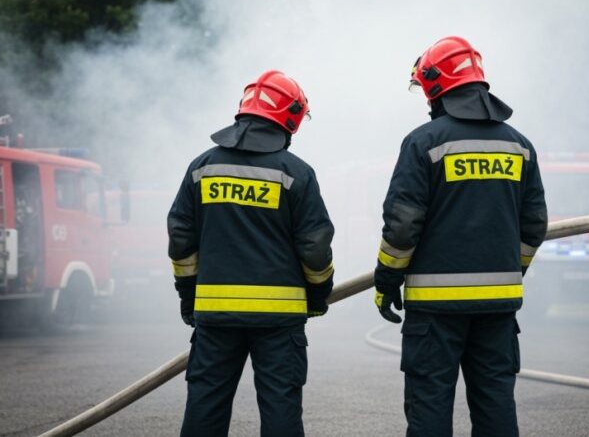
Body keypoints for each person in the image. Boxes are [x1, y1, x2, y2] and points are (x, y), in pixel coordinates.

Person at [373, 36, 547, 436]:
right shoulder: (519, 146)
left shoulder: (423, 143)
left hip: (435, 312)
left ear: (435, 88)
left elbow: (402, 226)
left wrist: (386, 280)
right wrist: (509, 269)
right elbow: (535, 224)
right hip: (498, 309)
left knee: (430, 404)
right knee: (496, 402)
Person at [168, 70, 334, 437]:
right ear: (290, 119)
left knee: (205, 405)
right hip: (279, 319)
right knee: (280, 408)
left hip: (214, 315)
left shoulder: (203, 168)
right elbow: (315, 247)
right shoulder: (297, 174)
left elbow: (181, 237)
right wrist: (319, 293)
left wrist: (189, 294)